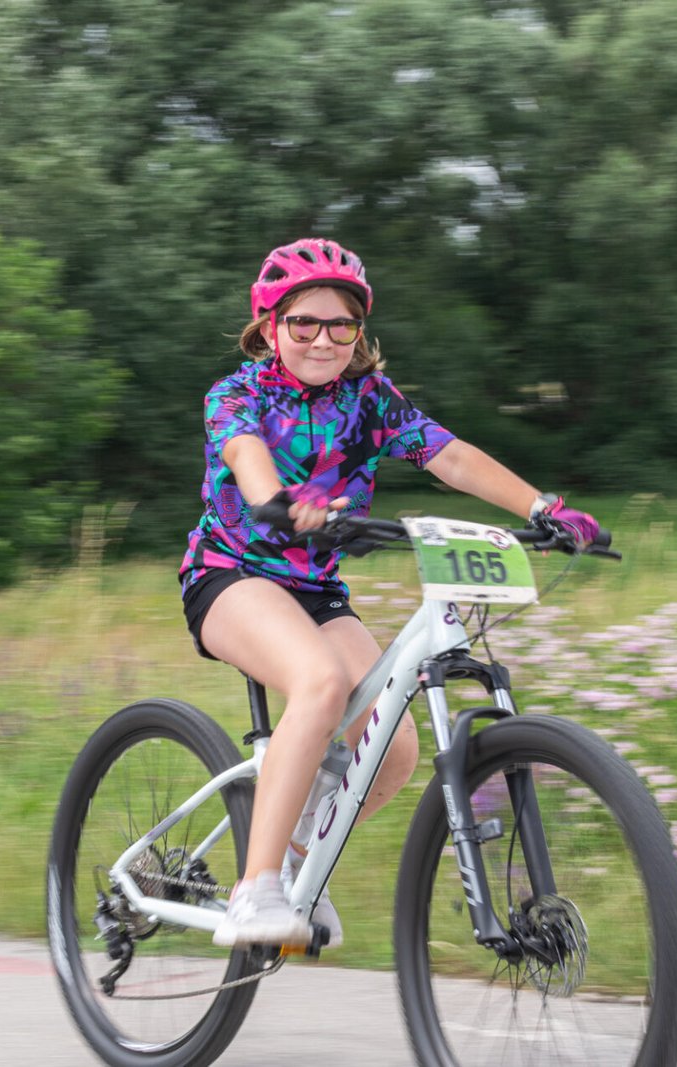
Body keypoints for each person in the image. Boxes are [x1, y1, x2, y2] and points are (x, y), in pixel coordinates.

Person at [179, 237, 600, 948]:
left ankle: (296, 860)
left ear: (358, 332)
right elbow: (245, 455)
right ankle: (256, 890)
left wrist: (543, 508)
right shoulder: (238, 394)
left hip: (315, 589)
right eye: (303, 323)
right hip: (231, 576)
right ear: (270, 328)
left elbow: (450, 456)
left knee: (392, 748)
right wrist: (279, 501)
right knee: (319, 682)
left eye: (341, 324)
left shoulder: (369, 399)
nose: (323, 339)